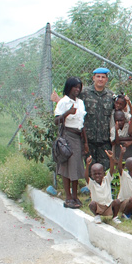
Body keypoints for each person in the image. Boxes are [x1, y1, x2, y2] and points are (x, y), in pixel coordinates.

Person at [54, 77, 86, 209]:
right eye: (75, 87)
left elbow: (82, 123)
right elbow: (57, 121)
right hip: (67, 136)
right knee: (67, 167)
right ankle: (68, 197)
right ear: (69, 88)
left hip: (78, 136)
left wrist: (86, 142)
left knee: (76, 167)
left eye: (79, 87)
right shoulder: (63, 102)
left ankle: (75, 195)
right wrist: (67, 113)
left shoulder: (81, 103)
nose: (77, 90)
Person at [81, 68, 115, 170]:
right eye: (98, 77)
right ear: (93, 78)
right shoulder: (84, 93)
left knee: (105, 170)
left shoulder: (110, 96)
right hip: (89, 140)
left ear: (106, 79)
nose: (100, 79)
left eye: (103, 77)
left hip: (105, 141)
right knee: (90, 170)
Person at [84, 152, 121, 225]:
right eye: (95, 174)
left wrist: (111, 158)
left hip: (108, 205)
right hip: (99, 207)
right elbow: (86, 177)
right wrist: (87, 165)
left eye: (99, 173)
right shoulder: (92, 184)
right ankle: (97, 216)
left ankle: (115, 217)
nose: (97, 176)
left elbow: (111, 169)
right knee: (92, 204)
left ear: (104, 173)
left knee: (117, 201)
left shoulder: (107, 180)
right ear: (92, 175)